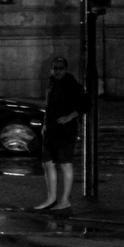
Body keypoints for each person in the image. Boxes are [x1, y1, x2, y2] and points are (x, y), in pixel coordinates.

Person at [34, 56, 87, 213]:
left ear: (66, 69)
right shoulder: (52, 84)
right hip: (51, 130)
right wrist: (45, 123)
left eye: (60, 68)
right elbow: (49, 107)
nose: (57, 71)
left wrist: (69, 117)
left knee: (64, 164)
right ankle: (51, 198)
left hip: (65, 132)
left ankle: (64, 200)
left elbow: (86, 104)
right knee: (47, 163)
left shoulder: (72, 85)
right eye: (55, 68)